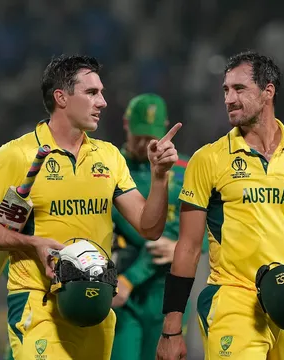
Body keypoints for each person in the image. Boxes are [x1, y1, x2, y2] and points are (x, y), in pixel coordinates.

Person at [0, 54, 182, 360]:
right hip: (39, 302)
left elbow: (149, 227)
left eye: (101, 92)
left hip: (95, 303)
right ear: (61, 98)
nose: (102, 102)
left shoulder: (109, 157)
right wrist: (31, 243)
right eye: (91, 93)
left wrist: (159, 177)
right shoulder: (17, 154)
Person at [156, 50, 284, 360]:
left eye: (239, 89)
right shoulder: (208, 160)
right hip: (235, 300)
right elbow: (188, 248)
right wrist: (172, 327)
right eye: (225, 90)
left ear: (268, 91)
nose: (228, 98)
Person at [110, 93, 208, 360]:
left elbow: (211, 230)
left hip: (168, 295)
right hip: (119, 290)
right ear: (126, 123)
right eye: (138, 135)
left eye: (151, 136)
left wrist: (181, 246)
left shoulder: (186, 170)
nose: (144, 144)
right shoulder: (109, 167)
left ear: (164, 127)